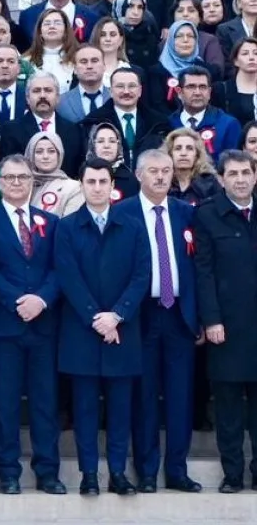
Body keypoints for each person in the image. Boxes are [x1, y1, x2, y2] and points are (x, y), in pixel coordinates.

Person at [54, 158, 151, 496]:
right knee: (84, 409)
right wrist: (97, 317)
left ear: (113, 186)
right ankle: (89, 474)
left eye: (102, 182)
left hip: (122, 331)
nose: (97, 188)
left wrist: (117, 315)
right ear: (81, 185)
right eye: (91, 181)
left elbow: (142, 276)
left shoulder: (133, 227)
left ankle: (118, 474)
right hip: (83, 331)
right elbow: (68, 277)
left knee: (121, 409)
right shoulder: (66, 227)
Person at [115, 148, 203, 493]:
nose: (161, 176)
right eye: (153, 171)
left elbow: (197, 268)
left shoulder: (186, 213)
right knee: (144, 397)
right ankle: (147, 470)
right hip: (141, 315)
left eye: (166, 171)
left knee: (180, 397)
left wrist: (199, 316)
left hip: (179, 315)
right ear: (138, 175)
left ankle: (177, 470)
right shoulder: (122, 213)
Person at [0, 155, 65, 494]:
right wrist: (18, 301)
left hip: (43, 326)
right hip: (5, 326)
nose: (17, 183)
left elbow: (60, 268)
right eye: (10, 178)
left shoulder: (50, 222)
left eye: (23, 177)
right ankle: (8, 471)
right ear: (0, 183)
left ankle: (47, 472)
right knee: (6, 403)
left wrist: (40, 300)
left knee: (45, 403)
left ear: (33, 182)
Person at [193, 150, 257, 493]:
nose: (241, 179)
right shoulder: (207, 216)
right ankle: (232, 474)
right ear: (221, 179)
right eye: (233, 174)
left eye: (246, 172)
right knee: (229, 410)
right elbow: (202, 272)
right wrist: (211, 319)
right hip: (226, 329)